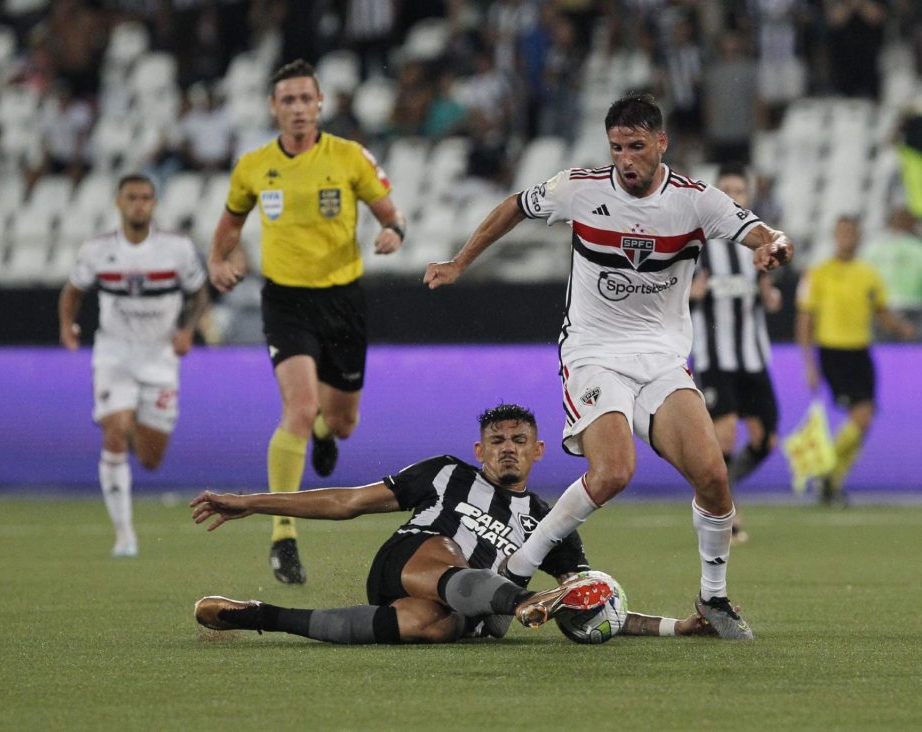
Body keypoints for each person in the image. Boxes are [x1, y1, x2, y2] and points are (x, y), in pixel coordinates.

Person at [424, 93, 794, 640]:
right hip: (593, 353)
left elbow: (766, 233)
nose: (625, 159)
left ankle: (713, 600)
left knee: (714, 478)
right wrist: (460, 261)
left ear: (661, 143)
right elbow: (512, 206)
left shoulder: (696, 201)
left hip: (662, 359)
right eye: (617, 147)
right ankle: (517, 570)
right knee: (614, 471)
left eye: (637, 147)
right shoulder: (581, 187)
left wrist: (774, 248)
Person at [190, 404, 715, 644]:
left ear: (537, 451)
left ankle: (262, 615)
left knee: (435, 625)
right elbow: (348, 500)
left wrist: (676, 626)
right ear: (478, 450)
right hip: (409, 560)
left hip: (454, 606)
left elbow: (593, 598)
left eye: (517, 441)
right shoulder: (444, 472)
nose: (506, 449)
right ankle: (517, 602)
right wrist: (252, 503)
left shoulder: (548, 520)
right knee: (446, 547)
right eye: (496, 441)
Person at [206, 59, 406, 586]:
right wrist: (216, 261)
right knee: (297, 407)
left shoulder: (348, 157)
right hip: (286, 302)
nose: (297, 108)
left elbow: (391, 213)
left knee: (340, 422)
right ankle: (283, 532)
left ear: (320, 104)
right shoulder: (253, 166)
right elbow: (227, 226)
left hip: (342, 301)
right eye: (287, 100)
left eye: (305, 99)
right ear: (274, 108)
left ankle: (323, 431)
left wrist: (394, 234)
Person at [58, 174, 209, 557]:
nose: (139, 204)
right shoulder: (97, 250)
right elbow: (72, 292)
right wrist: (67, 325)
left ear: (154, 204)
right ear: (118, 203)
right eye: (132, 197)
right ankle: (125, 536)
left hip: (160, 358)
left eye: (145, 197)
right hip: (114, 354)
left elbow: (199, 294)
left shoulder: (176, 248)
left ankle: (124, 421)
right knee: (114, 431)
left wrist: (188, 330)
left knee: (151, 457)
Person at [689, 163, 783, 544]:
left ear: (748, 196)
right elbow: (671, 291)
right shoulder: (696, 245)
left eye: (738, 191)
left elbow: (768, 295)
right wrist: (689, 296)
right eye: (724, 189)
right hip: (714, 357)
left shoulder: (760, 245)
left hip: (753, 356)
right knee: (724, 436)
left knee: (766, 440)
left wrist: (770, 295)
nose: (732, 197)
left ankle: (716, 489)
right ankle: (727, 511)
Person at [795, 215, 915, 504]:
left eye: (851, 232)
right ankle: (827, 473)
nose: (846, 237)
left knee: (866, 419)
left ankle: (831, 484)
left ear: (859, 237)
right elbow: (805, 319)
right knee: (861, 416)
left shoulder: (868, 274)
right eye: (841, 232)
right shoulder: (818, 273)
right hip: (833, 352)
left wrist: (900, 327)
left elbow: (881, 311)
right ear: (834, 236)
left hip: (861, 352)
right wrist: (809, 364)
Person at [862, 207, 922, 342]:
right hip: (914, 309)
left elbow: (864, 284)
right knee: (921, 359)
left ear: (890, 224)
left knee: (881, 358)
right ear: (912, 225)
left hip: (882, 312)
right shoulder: (920, 249)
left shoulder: (873, 249)